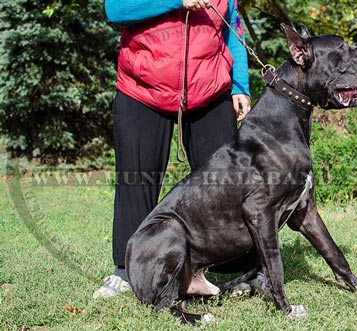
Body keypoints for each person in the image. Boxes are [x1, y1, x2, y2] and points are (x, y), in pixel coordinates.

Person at [93, 0, 251, 298]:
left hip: (210, 89)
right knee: (136, 181)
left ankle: (234, 269)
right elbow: (116, 10)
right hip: (141, 89)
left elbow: (232, 25)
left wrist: (240, 84)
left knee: (225, 186)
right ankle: (127, 271)